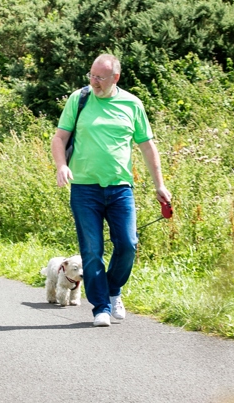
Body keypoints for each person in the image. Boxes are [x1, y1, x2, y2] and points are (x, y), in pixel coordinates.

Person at [50, 54, 172, 327]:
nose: (93, 82)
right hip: (84, 189)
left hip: (120, 189)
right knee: (92, 251)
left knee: (128, 244)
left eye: (100, 78)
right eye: (91, 76)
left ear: (115, 78)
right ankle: (101, 307)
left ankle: (113, 289)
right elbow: (59, 138)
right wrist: (61, 166)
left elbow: (147, 146)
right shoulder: (78, 100)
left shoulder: (132, 104)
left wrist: (159, 185)